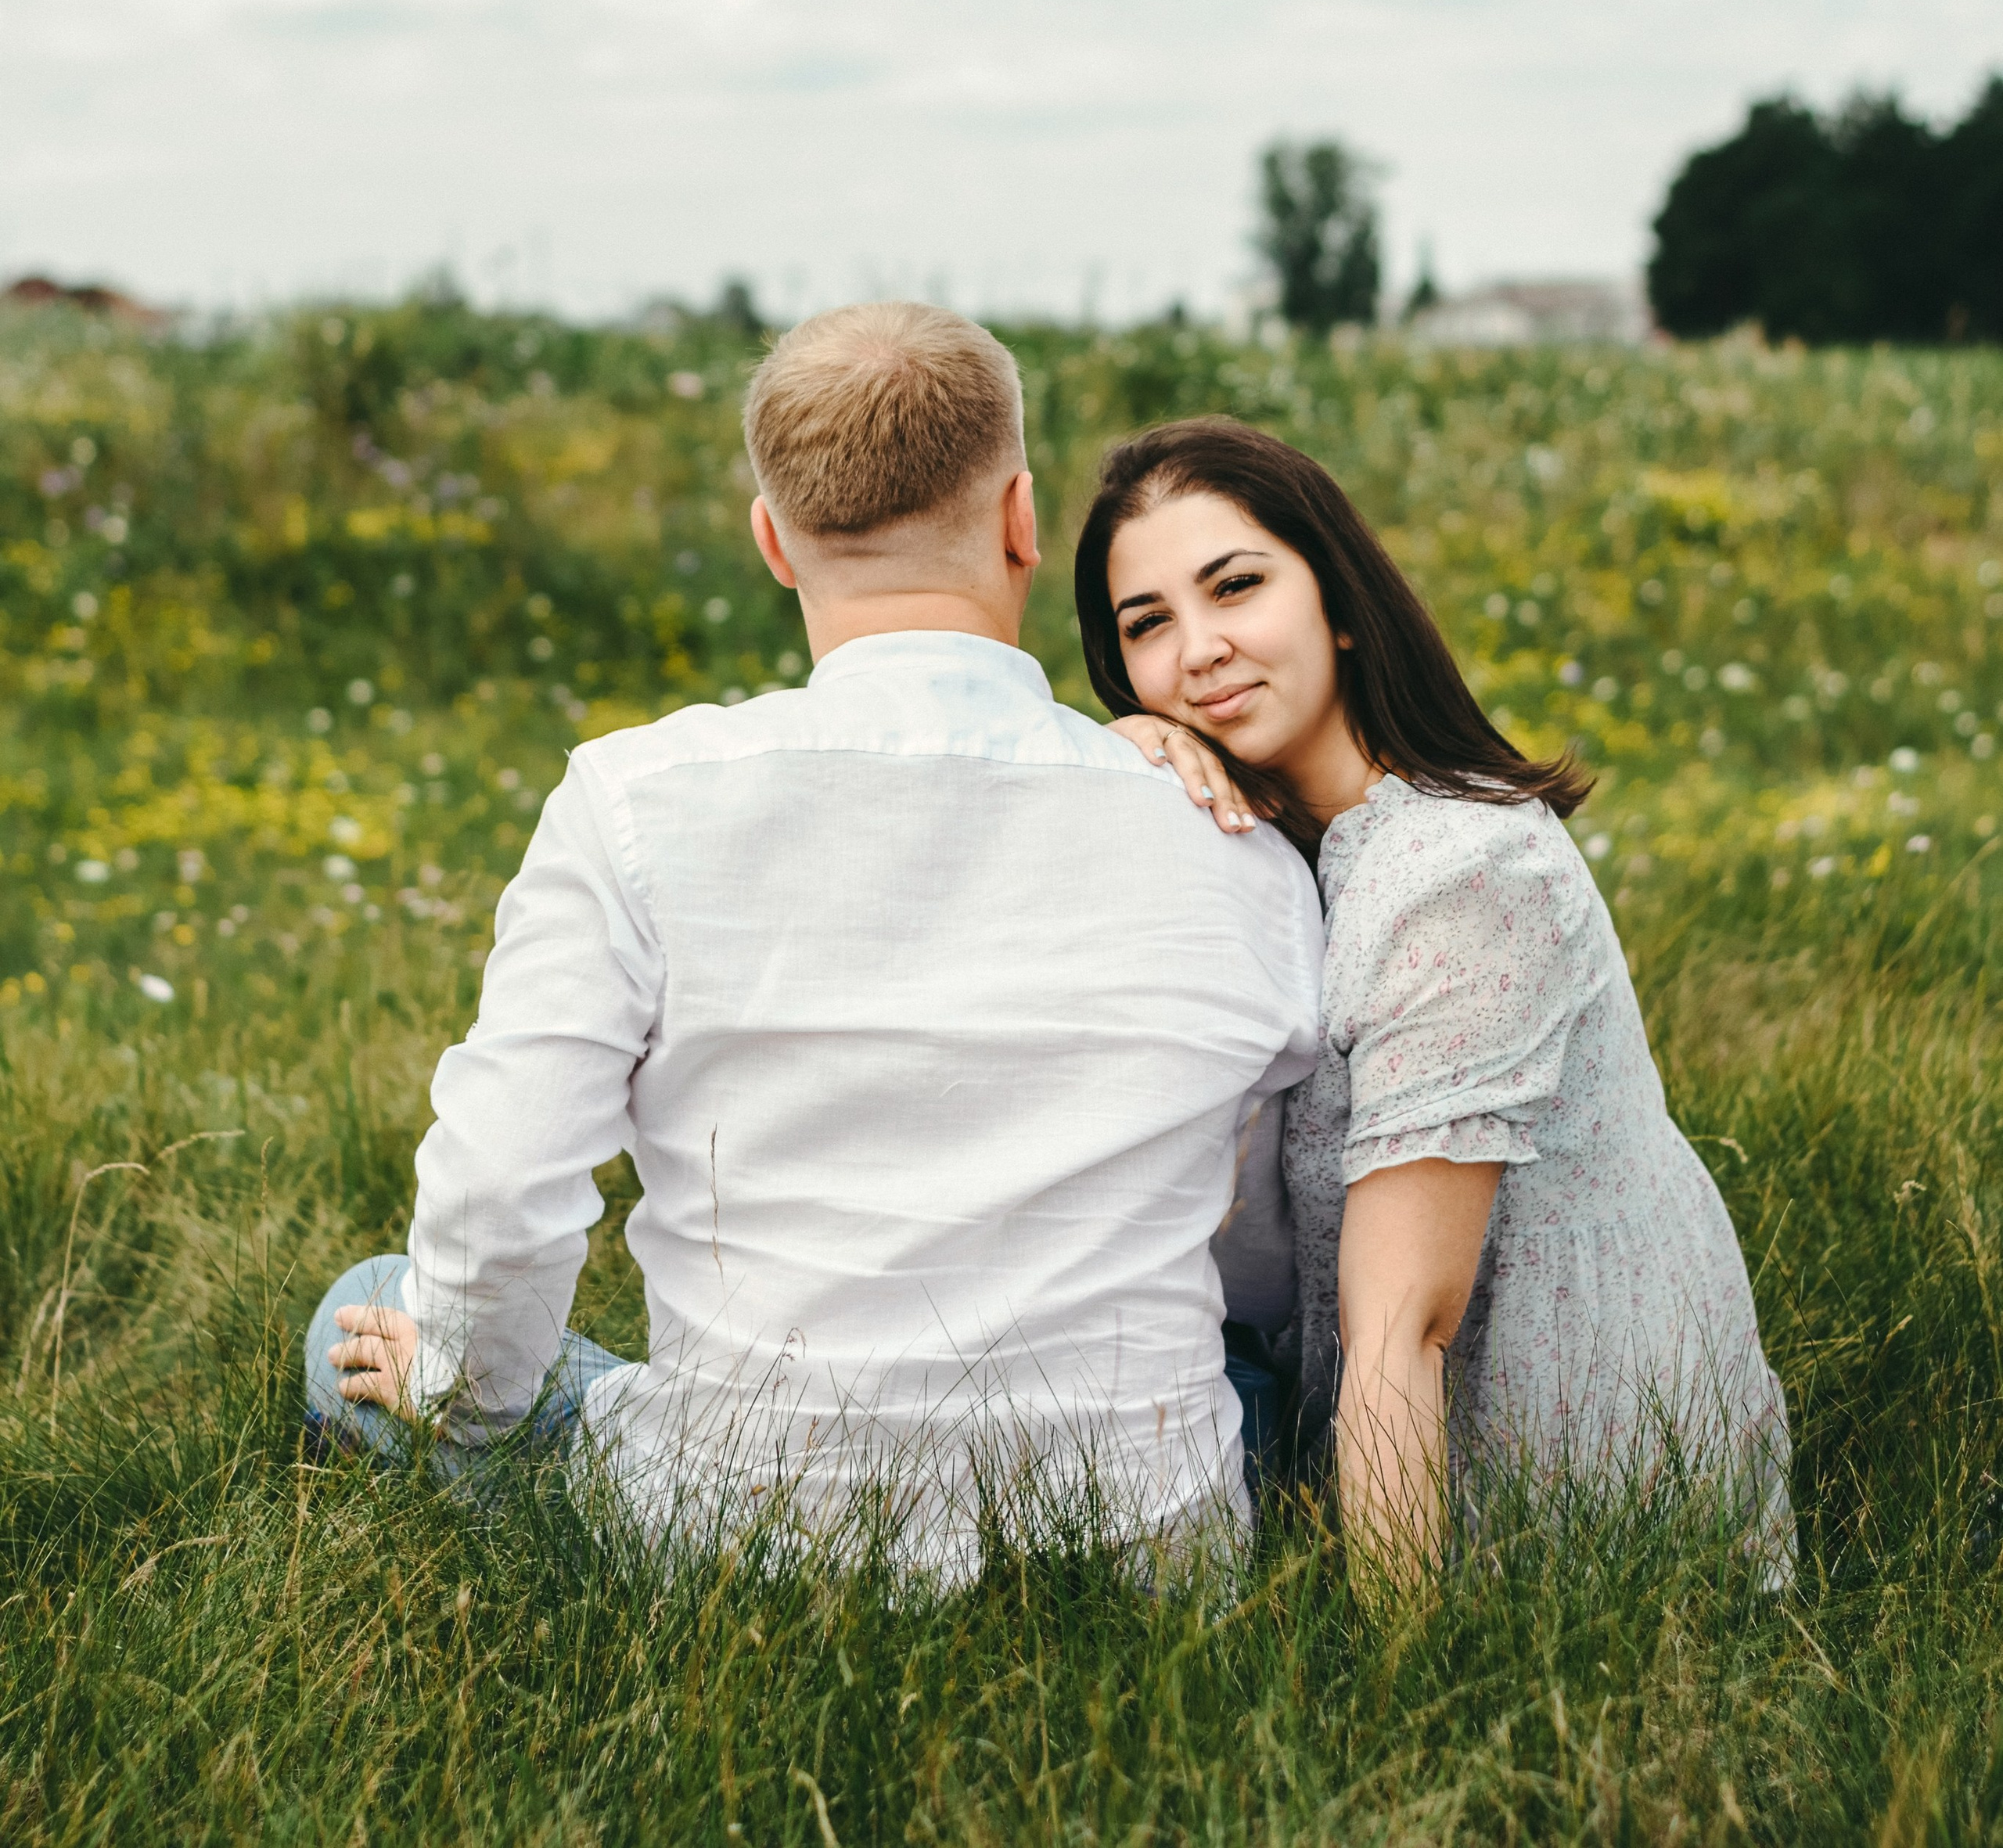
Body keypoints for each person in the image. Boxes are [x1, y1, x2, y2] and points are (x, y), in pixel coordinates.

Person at [305, 307, 1322, 1577]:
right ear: (1020, 519)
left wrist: (465, 1396)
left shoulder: (634, 802)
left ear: (773, 545)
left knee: (369, 1299)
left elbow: (502, 1187)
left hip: (740, 1540)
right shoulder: (1233, 846)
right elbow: (1266, 1260)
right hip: (1144, 1554)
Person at [1071, 415, 1795, 1593]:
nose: (1199, 651)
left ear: (1341, 607)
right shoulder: (1286, 853)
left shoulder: (1459, 874)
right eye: (1147, 625)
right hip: (1397, 1456)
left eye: (1237, 587)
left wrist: (1400, 1685)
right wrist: (1129, 758)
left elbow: (1403, 1329)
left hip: (1561, 1529)